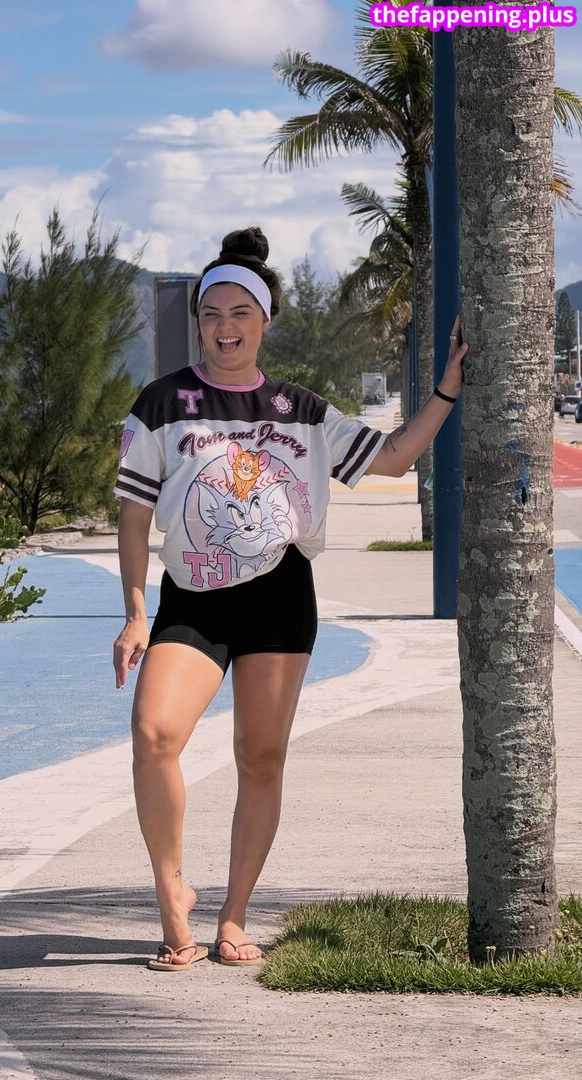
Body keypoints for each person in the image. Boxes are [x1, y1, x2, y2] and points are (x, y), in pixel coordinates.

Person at [112, 227, 467, 971]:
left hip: (279, 599)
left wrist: (445, 392)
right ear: (198, 321)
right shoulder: (163, 403)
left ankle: (233, 917)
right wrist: (136, 613)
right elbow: (136, 514)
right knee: (153, 733)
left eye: (241, 313)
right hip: (193, 599)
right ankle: (172, 893)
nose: (226, 327)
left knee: (261, 756)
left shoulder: (301, 410)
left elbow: (394, 457)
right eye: (213, 314)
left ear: (265, 321)